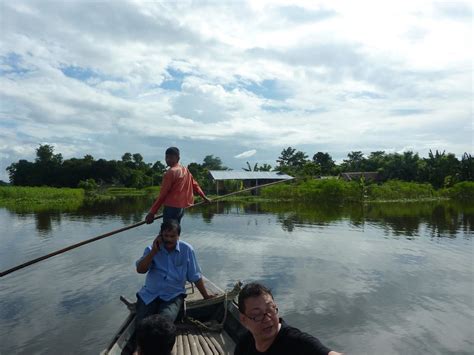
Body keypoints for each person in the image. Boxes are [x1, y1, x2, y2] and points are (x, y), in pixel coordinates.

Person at [135, 219, 214, 326]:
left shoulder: (187, 250)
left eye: (172, 236)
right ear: (160, 235)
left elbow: (195, 276)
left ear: (178, 236)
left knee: (164, 325)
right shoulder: (151, 249)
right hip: (150, 294)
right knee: (141, 324)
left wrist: (205, 295)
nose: (168, 239)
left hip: (173, 296)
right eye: (166, 236)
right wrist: (153, 252)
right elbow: (140, 270)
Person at [234, 282, 343, 355]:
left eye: (270, 310)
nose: (267, 319)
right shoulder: (245, 344)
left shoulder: (298, 343)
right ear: (244, 319)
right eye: (257, 315)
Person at [145, 147, 210, 224]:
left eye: (171, 157)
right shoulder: (185, 170)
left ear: (178, 158)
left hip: (171, 208)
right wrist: (204, 197)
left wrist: (152, 212)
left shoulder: (170, 172)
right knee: (174, 232)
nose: (168, 159)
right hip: (180, 209)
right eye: (166, 157)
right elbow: (195, 185)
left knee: (167, 233)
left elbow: (163, 195)